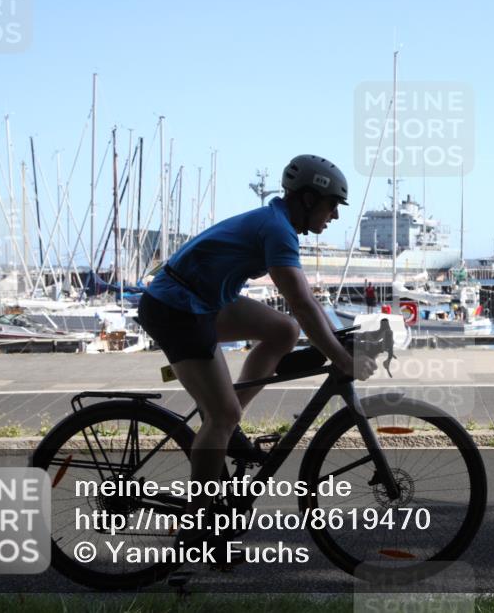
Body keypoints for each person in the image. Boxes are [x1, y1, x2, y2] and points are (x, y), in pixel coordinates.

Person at [136, 154, 377, 538]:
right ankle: (195, 527)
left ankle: (228, 427)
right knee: (221, 415)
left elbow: (305, 307)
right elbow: (300, 300)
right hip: (176, 309)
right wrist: (340, 357)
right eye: (333, 206)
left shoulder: (277, 223)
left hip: (200, 301)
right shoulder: (277, 230)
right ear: (309, 198)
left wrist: (334, 343)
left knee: (284, 332)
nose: (334, 216)